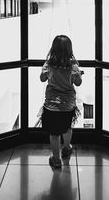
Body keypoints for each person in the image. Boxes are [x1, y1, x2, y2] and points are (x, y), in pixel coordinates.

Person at [40, 35, 83, 168]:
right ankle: (67, 148)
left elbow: (42, 78)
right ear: (69, 49)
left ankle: (56, 160)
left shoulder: (49, 64)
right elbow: (79, 83)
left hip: (51, 105)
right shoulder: (73, 66)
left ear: (53, 49)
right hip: (68, 105)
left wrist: (46, 72)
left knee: (54, 134)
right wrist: (78, 73)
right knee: (67, 127)